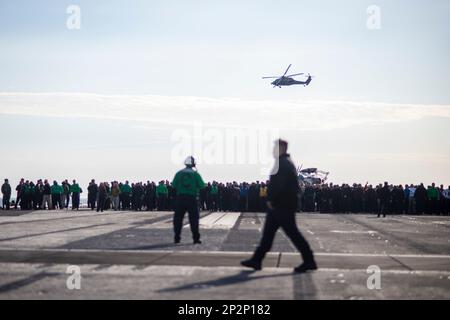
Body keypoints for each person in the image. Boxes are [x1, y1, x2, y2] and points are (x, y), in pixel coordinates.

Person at [241, 139, 317, 273]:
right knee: (268, 235)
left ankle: (309, 260)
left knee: (293, 234)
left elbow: (278, 185)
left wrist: (270, 199)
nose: (273, 150)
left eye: (275, 147)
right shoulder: (284, 163)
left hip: (283, 205)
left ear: (282, 148)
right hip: (281, 205)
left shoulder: (283, 164)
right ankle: (257, 260)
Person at [171, 156, 205, 244]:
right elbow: (202, 185)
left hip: (180, 198)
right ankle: (195, 238)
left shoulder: (179, 173)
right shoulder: (195, 174)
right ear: (193, 164)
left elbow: (174, 185)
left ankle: (177, 237)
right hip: (192, 198)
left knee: (178, 218)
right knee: (194, 219)